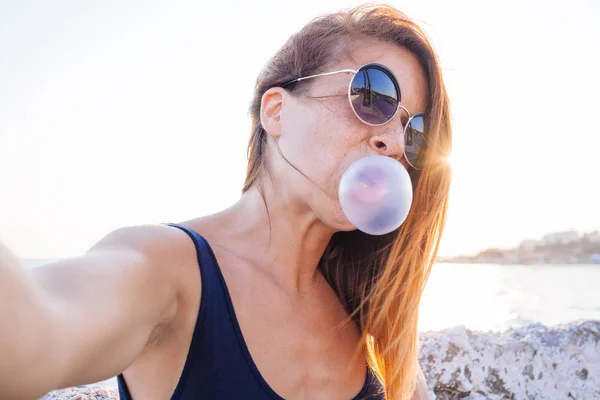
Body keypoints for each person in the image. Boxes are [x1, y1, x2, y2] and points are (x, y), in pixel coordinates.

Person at [0, 4, 451, 400]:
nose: (393, 141)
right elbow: (36, 335)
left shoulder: (371, 319)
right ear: (276, 111)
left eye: (415, 132)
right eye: (373, 95)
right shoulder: (167, 267)